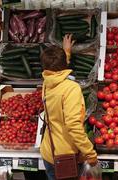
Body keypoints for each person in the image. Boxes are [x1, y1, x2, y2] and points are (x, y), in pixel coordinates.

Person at [40, 34, 98, 180]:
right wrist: (90, 154)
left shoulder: (47, 83)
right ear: (63, 66)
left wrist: (66, 53)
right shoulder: (71, 89)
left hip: (49, 151)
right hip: (66, 156)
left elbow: (55, 70)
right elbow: (73, 126)